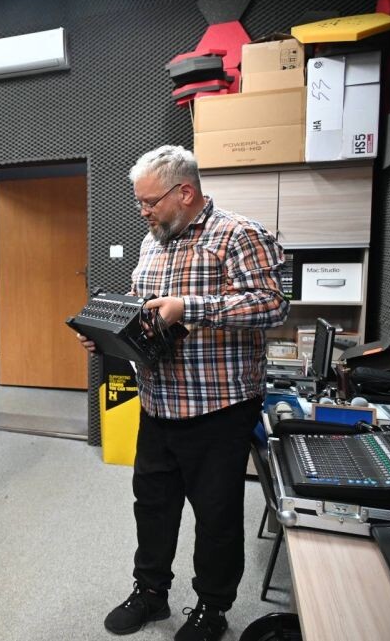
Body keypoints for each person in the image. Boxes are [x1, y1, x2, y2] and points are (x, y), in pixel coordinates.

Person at [79, 146, 288, 641]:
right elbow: (144, 307)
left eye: (149, 201)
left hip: (218, 409)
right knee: (152, 506)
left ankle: (212, 608)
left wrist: (189, 307)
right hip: (157, 403)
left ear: (185, 192)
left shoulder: (239, 234)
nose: (142, 211)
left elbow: (272, 305)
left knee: (216, 517)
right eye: (140, 202)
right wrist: (110, 333)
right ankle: (151, 592)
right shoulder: (152, 241)